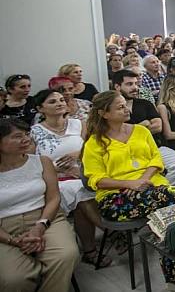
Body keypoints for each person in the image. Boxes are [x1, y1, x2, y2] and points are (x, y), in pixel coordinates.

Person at [81, 92, 175, 292]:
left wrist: (141, 181)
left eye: (126, 105)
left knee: (168, 220)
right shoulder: (95, 142)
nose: (127, 110)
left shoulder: (141, 131)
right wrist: (129, 184)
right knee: (172, 199)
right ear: (103, 113)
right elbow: (95, 179)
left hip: (150, 187)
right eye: (120, 107)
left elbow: (156, 161)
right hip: (115, 199)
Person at [29, 90, 111, 268]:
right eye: (52, 102)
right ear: (40, 109)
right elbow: (31, 163)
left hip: (81, 173)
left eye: (60, 100)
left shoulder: (78, 124)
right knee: (79, 192)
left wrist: (78, 154)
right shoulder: (35, 132)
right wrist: (56, 168)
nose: (59, 103)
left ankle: (90, 250)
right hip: (54, 180)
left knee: (81, 194)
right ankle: (112, 232)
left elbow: (94, 149)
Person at [0, 119, 81, 292]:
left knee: (66, 255)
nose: (25, 140)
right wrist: (12, 240)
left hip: (44, 217)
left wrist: (40, 226)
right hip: (4, 227)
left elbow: (53, 198)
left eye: (27, 135)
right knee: (14, 279)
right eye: (17, 136)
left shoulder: (41, 161)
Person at [111, 70, 175, 185]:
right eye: (129, 84)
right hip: (124, 150)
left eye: (135, 84)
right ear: (117, 87)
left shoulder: (145, 104)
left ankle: (159, 189)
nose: (135, 88)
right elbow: (115, 131)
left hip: (152, 147)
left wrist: (130, 130)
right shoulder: (112, 108)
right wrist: (142, 126)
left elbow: (158, 127)